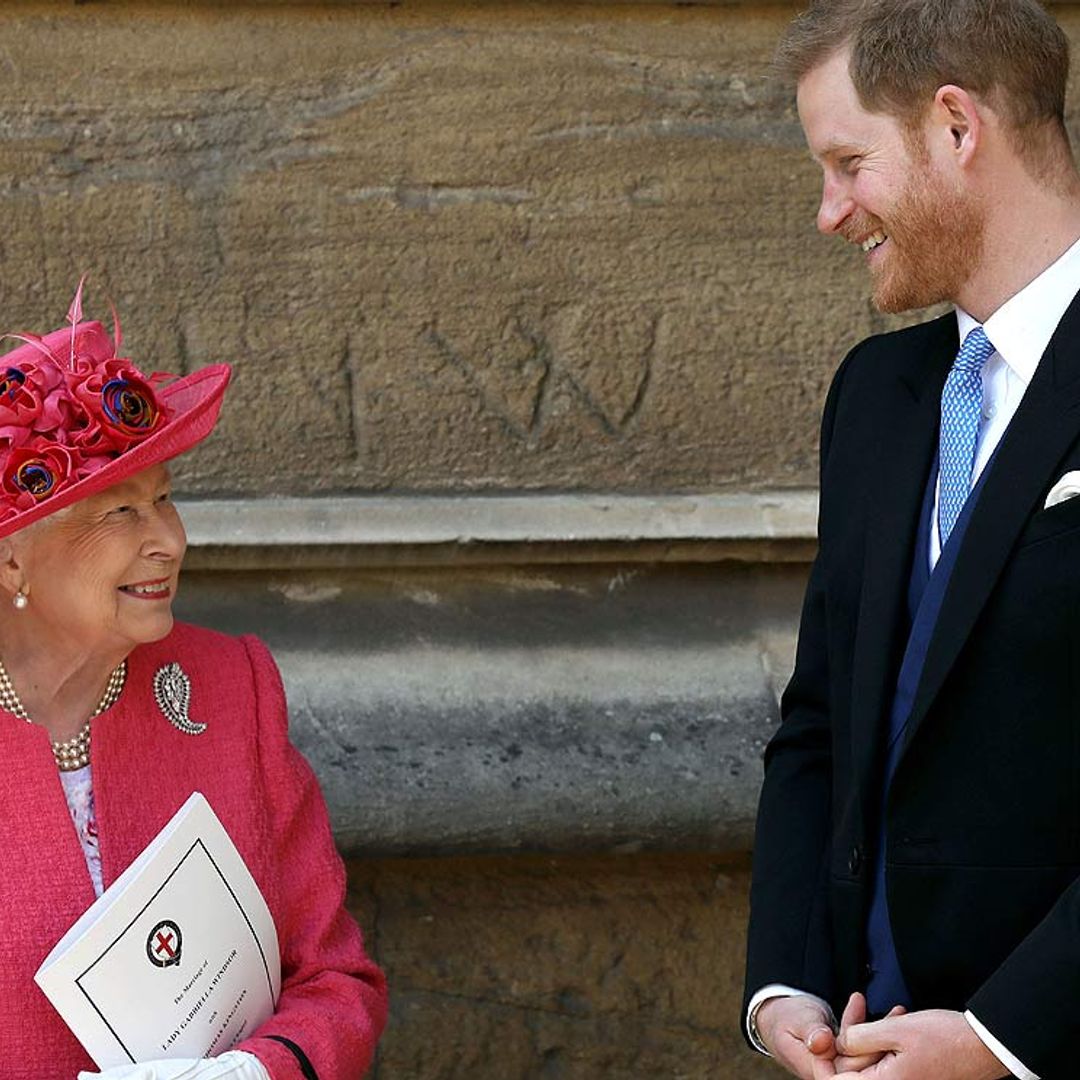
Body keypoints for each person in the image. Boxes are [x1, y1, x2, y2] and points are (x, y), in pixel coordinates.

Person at [743, 2, 1080, 1078]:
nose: (829, 212)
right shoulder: (877, 396)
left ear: (954, 126)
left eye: (848, 163)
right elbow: (822, 724)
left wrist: (1000, 1039)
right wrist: (784, 985)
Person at [0, 283, 388, 1080]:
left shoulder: (228, 687)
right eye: (120, 514)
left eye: (166, 500)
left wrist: (252, 1074)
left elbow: (336, 983)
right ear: (13, 560)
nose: (170, 541)